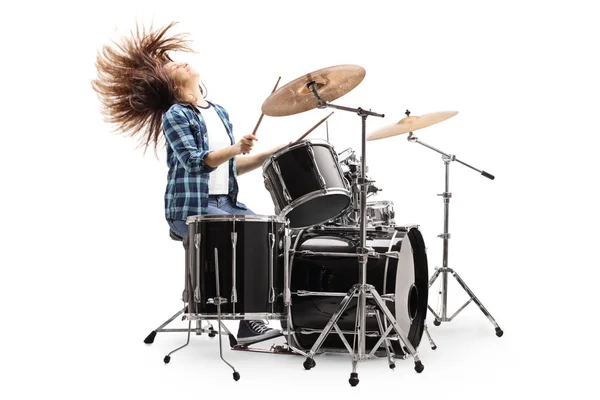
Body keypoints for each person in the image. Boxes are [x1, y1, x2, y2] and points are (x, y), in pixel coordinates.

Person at [92, 21, 284, 345]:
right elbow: (197, 161)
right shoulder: (175, 114)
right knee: (245, 236)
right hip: (191, 209)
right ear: (169, 84)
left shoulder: (219, 112)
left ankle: (268, 312)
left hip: (225, 203)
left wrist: (269, 154)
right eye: (170, 67)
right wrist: (235, 147)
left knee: (271, 233)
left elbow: (230, 166)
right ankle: (248, 322)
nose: (178, 62)